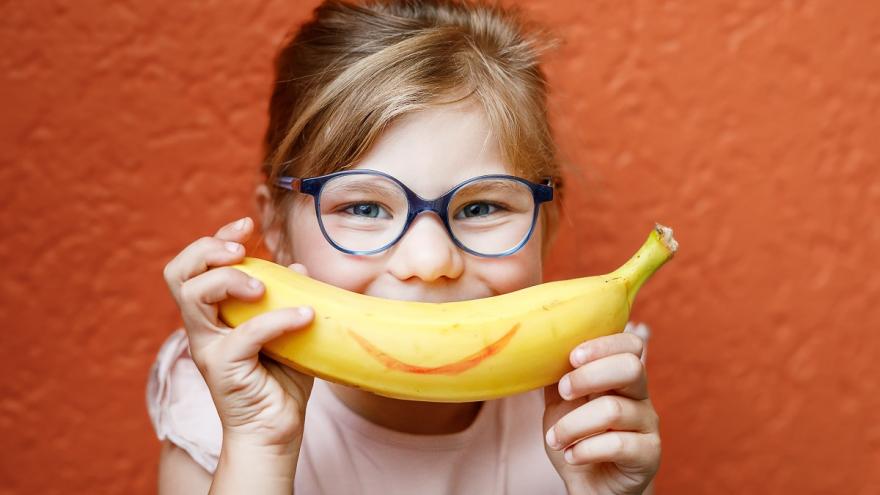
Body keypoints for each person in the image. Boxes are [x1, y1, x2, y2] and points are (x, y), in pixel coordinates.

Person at [147, 0, 661, 493]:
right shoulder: (224, 413)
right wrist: (259, 447)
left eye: (481, 208)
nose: (431, 261)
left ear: (548, 222)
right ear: (275, 229)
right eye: (365, 209)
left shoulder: (591, 408)